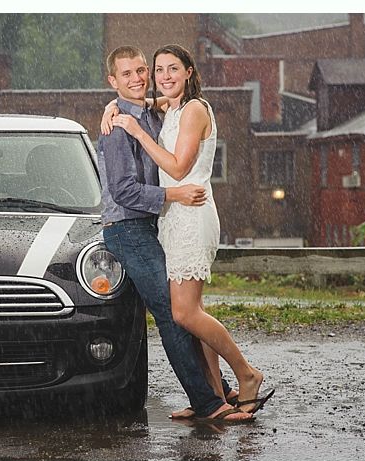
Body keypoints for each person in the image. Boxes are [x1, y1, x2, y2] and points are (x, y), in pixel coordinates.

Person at [104, 44, 273, 418]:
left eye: (171, 69)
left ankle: (246, 374)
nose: (162, 76)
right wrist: (112, 107)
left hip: (191, 211)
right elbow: (138, 106)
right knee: (192, 310)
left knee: (183, 314)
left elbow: (179, 168)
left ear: (189, 72)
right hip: (171, 217)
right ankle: (214, 393)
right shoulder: (168, 109)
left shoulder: (194, 109)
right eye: (158, 69)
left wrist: (135, 129)